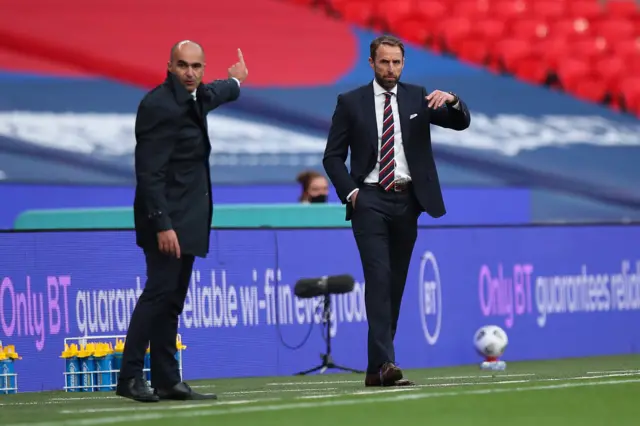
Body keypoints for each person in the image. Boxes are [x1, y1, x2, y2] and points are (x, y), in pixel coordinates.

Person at [322, 35, 471, 387]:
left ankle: (376, 371)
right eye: (385, 62)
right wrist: (352, 192)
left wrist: (453, 100)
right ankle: (388, 362)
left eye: (397, 62)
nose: (391, 69)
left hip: (407, 201)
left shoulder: (418, 96)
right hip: (369, 199)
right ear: (371, 63)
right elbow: (332, 156)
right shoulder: (350, 101)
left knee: (396, 283)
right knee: (378, 278)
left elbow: (460, 122)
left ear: (404, 64)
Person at [116, 40, 248, 402]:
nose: (190, 73)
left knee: (172, 300)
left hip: (187, 218)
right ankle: (128, 377)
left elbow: (214, 94)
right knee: (158, 294)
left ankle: (166, 379)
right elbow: (149, 173)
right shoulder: (158, 105)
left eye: (196, 66)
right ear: (169, 67)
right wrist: (162, 224)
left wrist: (235, 82)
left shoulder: (195, 96)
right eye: (183, 66)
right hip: (166, 219)